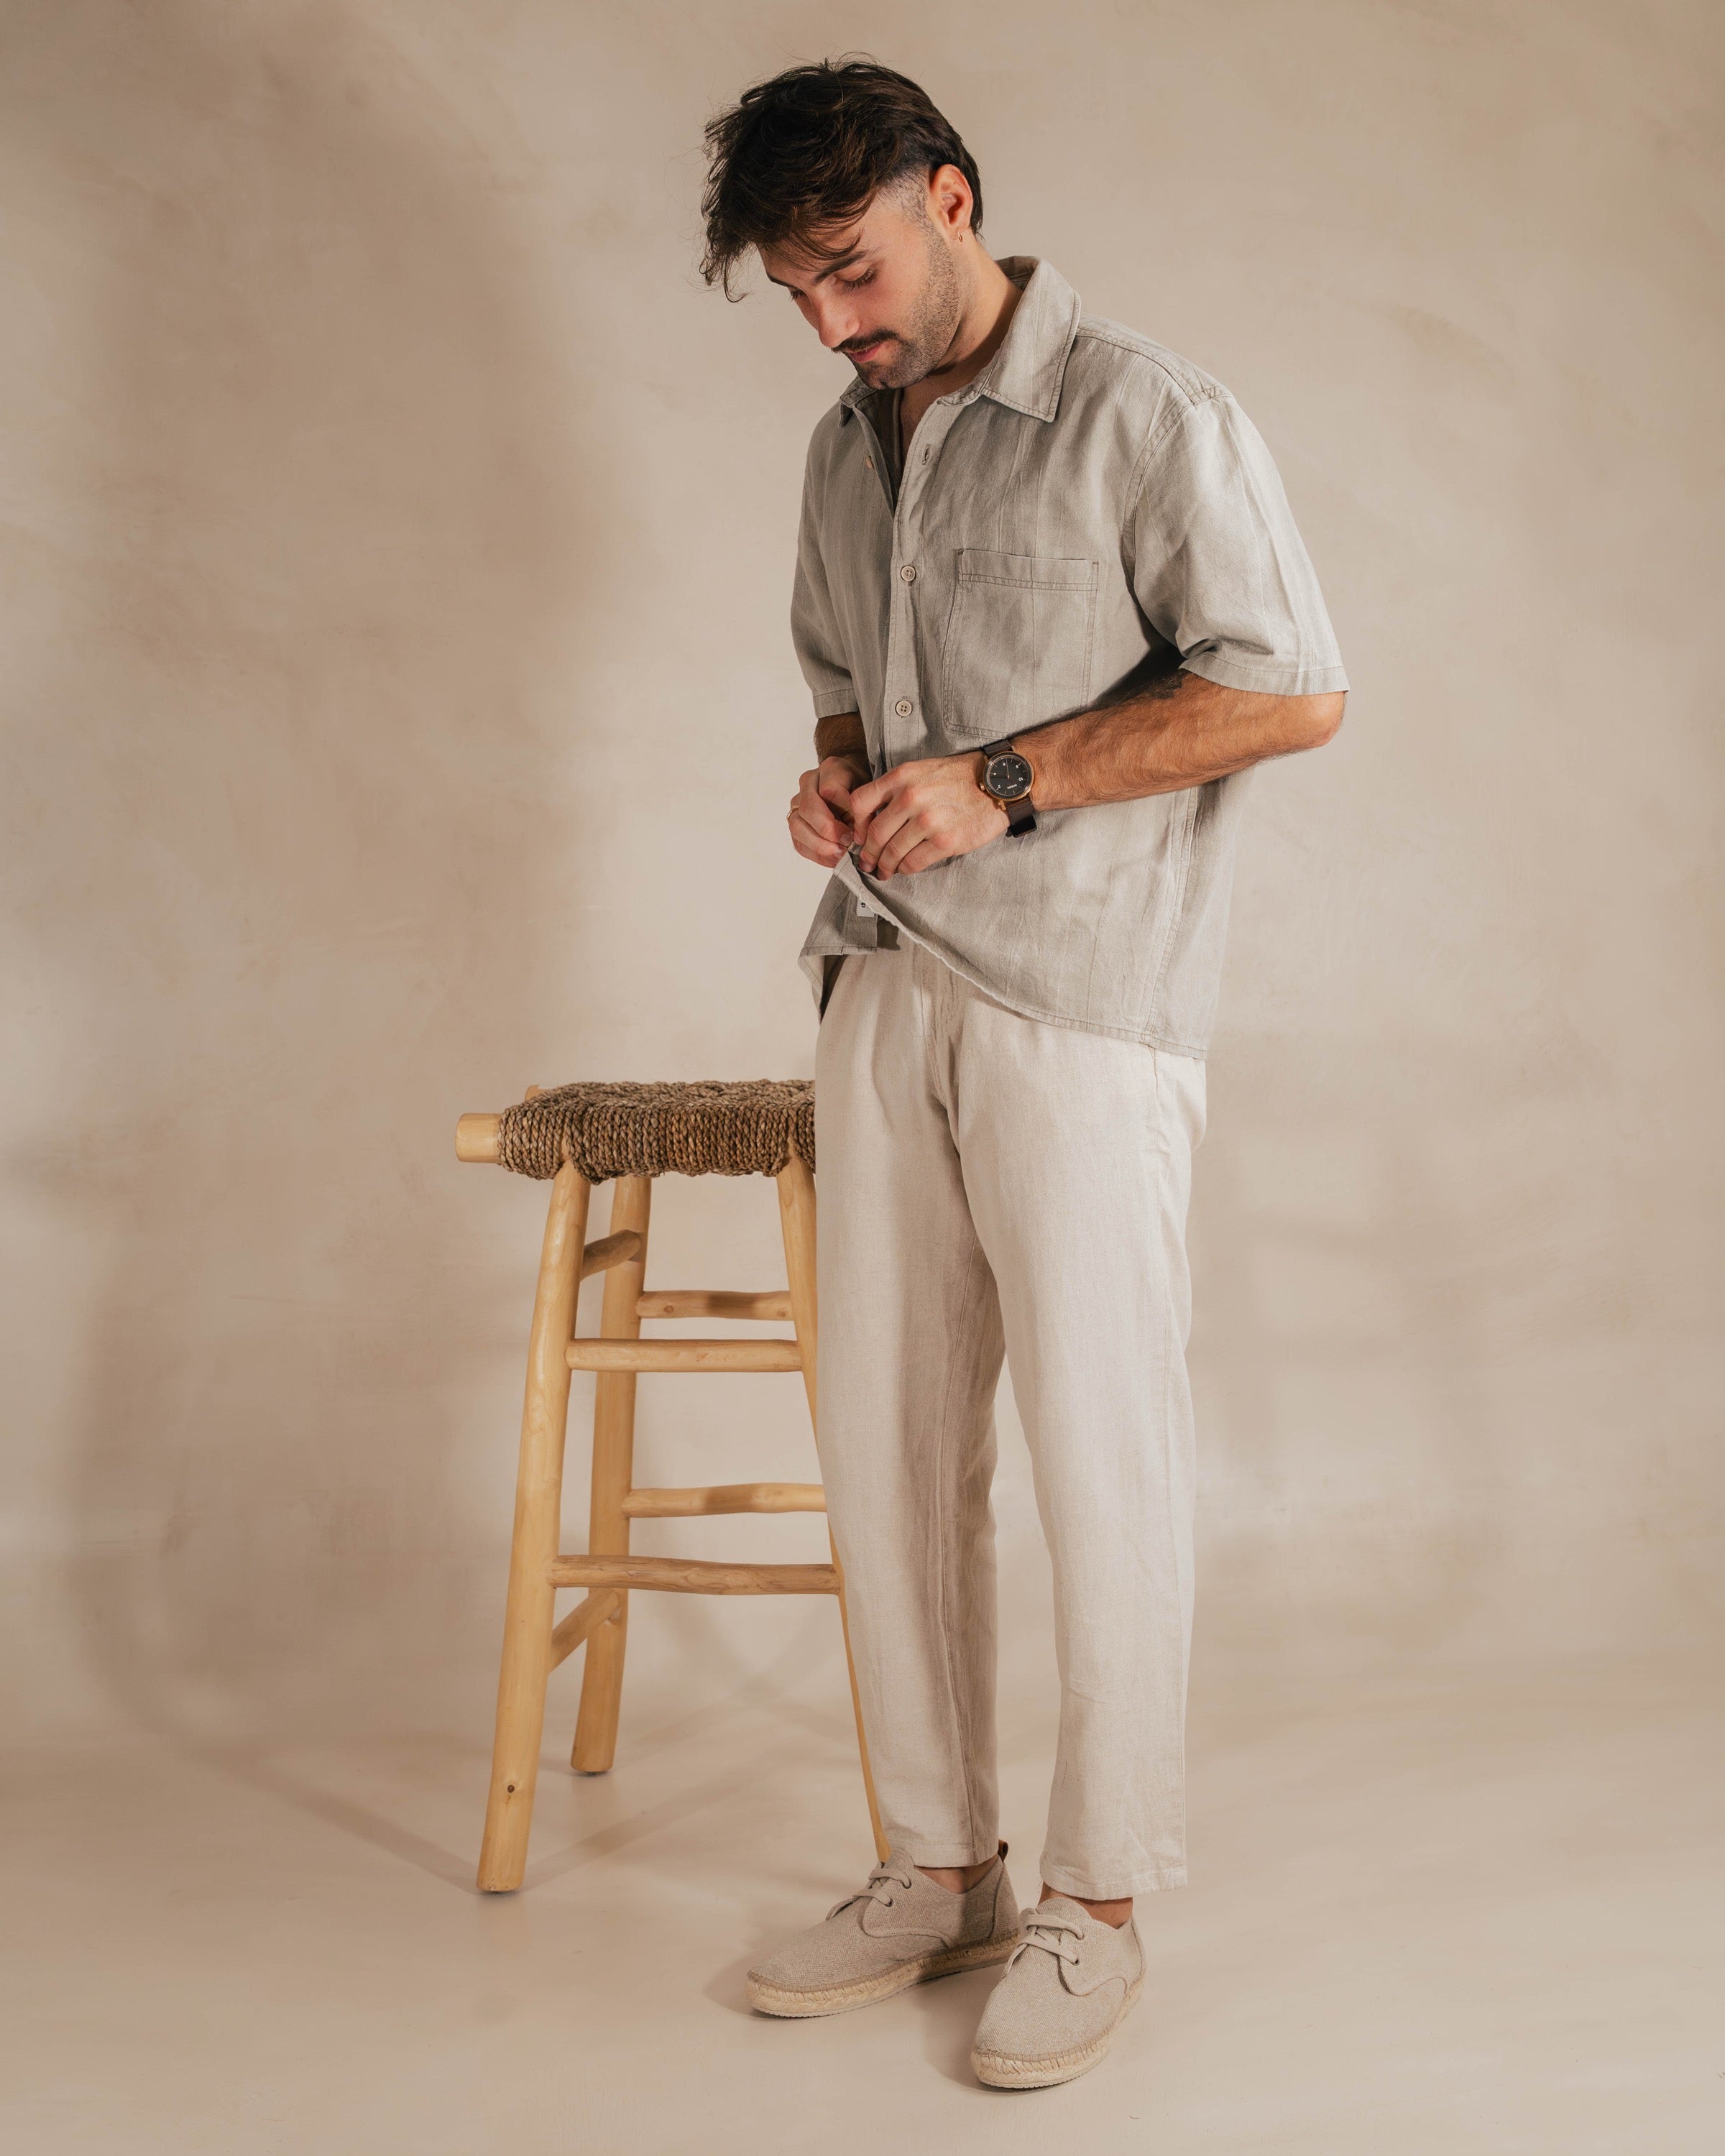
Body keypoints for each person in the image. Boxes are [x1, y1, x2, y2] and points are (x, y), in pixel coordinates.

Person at [699, 59, 1347, 2090]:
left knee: (1099, 1446)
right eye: (798, 291)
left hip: (1081, 999)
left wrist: (1008, 779)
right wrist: (832, 787)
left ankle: (1102, 1898)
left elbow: (1290, 686)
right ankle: (936, 1866)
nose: (833, 320)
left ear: (952, 198)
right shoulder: (843, 450)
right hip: (880, 987)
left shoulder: (1149, 413)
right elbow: (841, 686)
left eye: (852, 267)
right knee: (889, 1448)